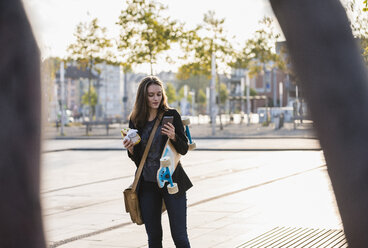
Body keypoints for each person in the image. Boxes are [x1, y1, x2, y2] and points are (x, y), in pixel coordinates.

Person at [123, 76, 192, 248]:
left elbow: (183, 148)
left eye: (159, 94)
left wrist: (173, 136)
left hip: (172, 181)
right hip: (148, 184)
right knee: (153, 238)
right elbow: (139, 160)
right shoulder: (136, 120)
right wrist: (131, 150)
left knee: (180, 237)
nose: (155, 99)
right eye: (151, 95)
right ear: (143, 97)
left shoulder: (171, 115)